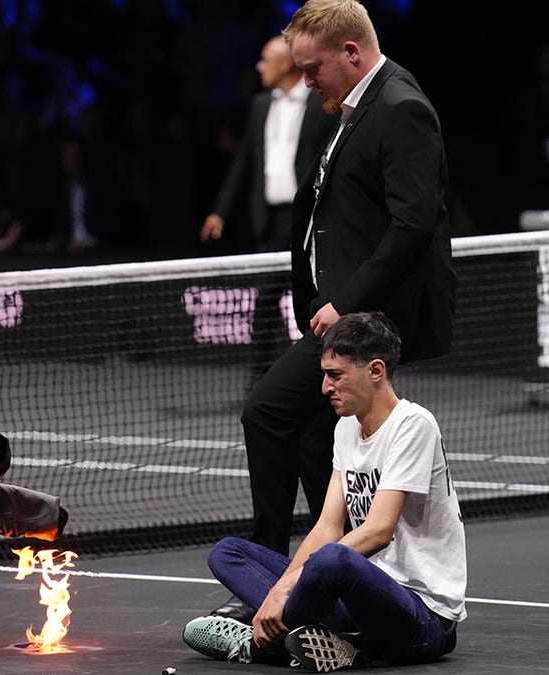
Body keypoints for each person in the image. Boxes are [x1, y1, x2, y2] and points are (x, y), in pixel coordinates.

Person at [212, 0, 456, 623]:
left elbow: (411, 226)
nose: (306, 81)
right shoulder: (348, 110)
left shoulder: (401, 109)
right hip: (336, 311)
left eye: (313, 68)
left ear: (352, 53)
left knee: (267, 411)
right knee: (320, 433)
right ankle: (341, 580)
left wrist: (342, 303)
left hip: (373, 316)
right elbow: (321, 215)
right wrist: (313, 299)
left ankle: (272, 571)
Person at [183, 312, 465, 670]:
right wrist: (279, 589)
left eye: (336, 376)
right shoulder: (346, 427)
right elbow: (327, 527)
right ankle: (330, 641)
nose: (324, 387)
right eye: (324, 375)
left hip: (423, 620)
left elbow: (378, 530)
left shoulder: (413, 425)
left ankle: (261, 647)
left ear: (375, 371)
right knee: (228, 552)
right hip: (361, 607)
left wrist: (283, 590)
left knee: (333, 560)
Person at [199, 35, 336, 254]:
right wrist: (220, 212)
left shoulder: (322, 103)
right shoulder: (260, 105)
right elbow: (243, 162)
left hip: (310, 217)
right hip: (268, 219)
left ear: (285, 64)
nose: (259, 67)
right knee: (268, 285)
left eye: (265, 60)